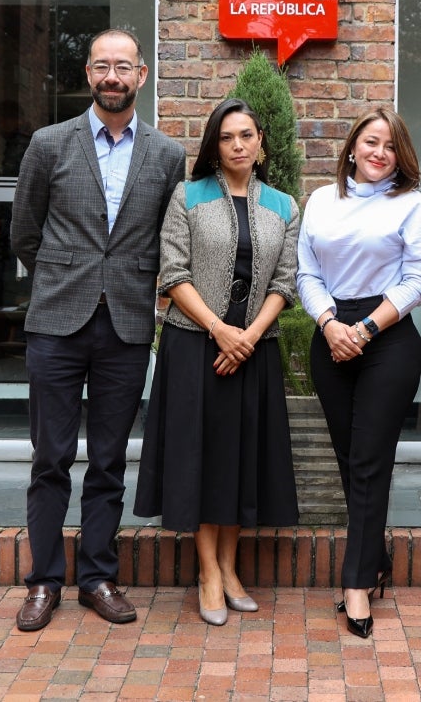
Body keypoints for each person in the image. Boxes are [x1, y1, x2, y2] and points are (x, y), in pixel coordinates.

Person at [10, 28, 186, 632]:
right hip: (57, 321)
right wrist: (64, 276)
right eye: (102, 67)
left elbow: (168, 239)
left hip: (128, 323)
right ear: (88, 74)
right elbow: (24, 231)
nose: (113, 77)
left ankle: (97, 577)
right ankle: (42, 583)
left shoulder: (166, 155)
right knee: (50, 457)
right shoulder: (49, 143)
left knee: (109, 458)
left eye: (124, 67)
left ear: (142, 75)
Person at [135, 97, 300, 626]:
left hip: (253, 351)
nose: (237, 145)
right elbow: (173, 274)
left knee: (240, 460)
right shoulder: (188, 196)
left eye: (247, 135)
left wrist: (247, 337)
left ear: (261, 143)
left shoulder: (284, 205)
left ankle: (231, 569)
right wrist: (219, 330)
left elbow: (284, 282)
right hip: (194, 347)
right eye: (227, 136)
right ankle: (208, 572)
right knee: (201, 461)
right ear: (213, 144)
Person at [296, 108, 421, 639]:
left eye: (390, 146)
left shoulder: (411, 204)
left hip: (389, 338)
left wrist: (365, 330)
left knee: (370, 461)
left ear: (400, 157)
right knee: (349, 458)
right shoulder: (321, 202)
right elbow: (306, 273)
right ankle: (375, 555)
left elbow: (419, 278)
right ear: (352, 148)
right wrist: (331, 324)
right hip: (331, 335)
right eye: (370, 142)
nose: (379, 152)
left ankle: (356, 585)